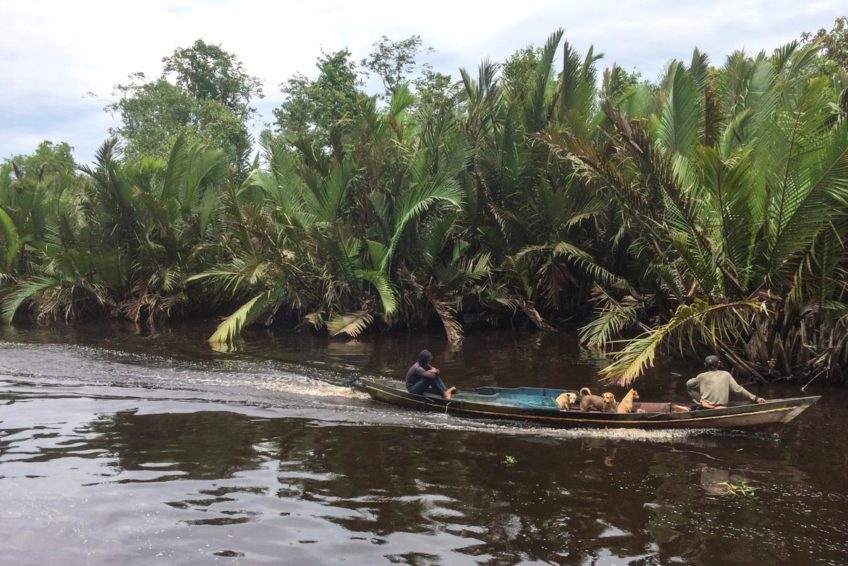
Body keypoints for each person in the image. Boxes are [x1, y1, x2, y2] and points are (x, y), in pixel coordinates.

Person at [686, 355, 766, 409]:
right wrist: (756, 398)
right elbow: (738, 390)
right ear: (719, 364)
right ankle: (707, 404)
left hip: (706, 406)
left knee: (690, 386)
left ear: (705, 365)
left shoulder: (701, 376)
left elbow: (688, 384)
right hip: (721, 407)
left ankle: (702, 403)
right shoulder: (726, 374)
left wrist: (699, 382)